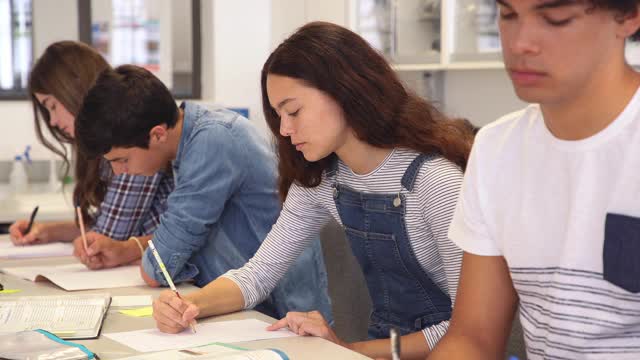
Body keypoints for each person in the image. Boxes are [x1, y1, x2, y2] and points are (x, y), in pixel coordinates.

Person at [149, 22, 475, 359]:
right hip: (380, 347)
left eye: (294, 111)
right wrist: (188, 304)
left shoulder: (436, 183)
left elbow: (468, 330)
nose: (286, 130)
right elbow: (258, 274)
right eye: (279, 117)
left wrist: (350, 349)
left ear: (346, 90)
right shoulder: (322, 180)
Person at [429, 1, 640, 359]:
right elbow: (474, 338)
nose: (519, 43)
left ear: (629, 15)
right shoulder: (497, 148)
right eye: (508, 15)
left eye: (555, 19)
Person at [74, 64, 333, 321]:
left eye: (122, 160)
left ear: (157, 134)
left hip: (281, 312)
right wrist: (127, 249)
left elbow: (157, 269)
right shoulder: (190, 137)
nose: (119, 172)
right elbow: (192, 236)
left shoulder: (212, 142)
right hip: (247, 304)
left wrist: (152, 255)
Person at [8, 41, 173, 270]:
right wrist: (49, 231)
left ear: (73, 92)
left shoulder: (126, 138)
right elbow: (106, 225)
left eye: (52, 106)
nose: (53, 121)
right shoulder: (110, 144)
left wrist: (76, 236)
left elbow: (108, 237)